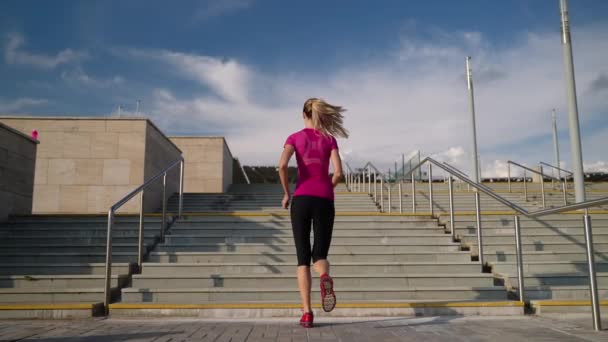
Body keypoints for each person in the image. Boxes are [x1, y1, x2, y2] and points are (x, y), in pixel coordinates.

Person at [278, 98, 349, 328]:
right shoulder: (330, 139)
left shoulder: (294, 137)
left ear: (303, 114)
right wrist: (329, 186)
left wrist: (287, 193)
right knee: (319, 254)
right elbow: (338, 173)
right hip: (325, 200)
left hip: (301, 199)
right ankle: (324, 277)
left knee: (302, 258)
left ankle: (307, 313)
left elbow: (281, 165)